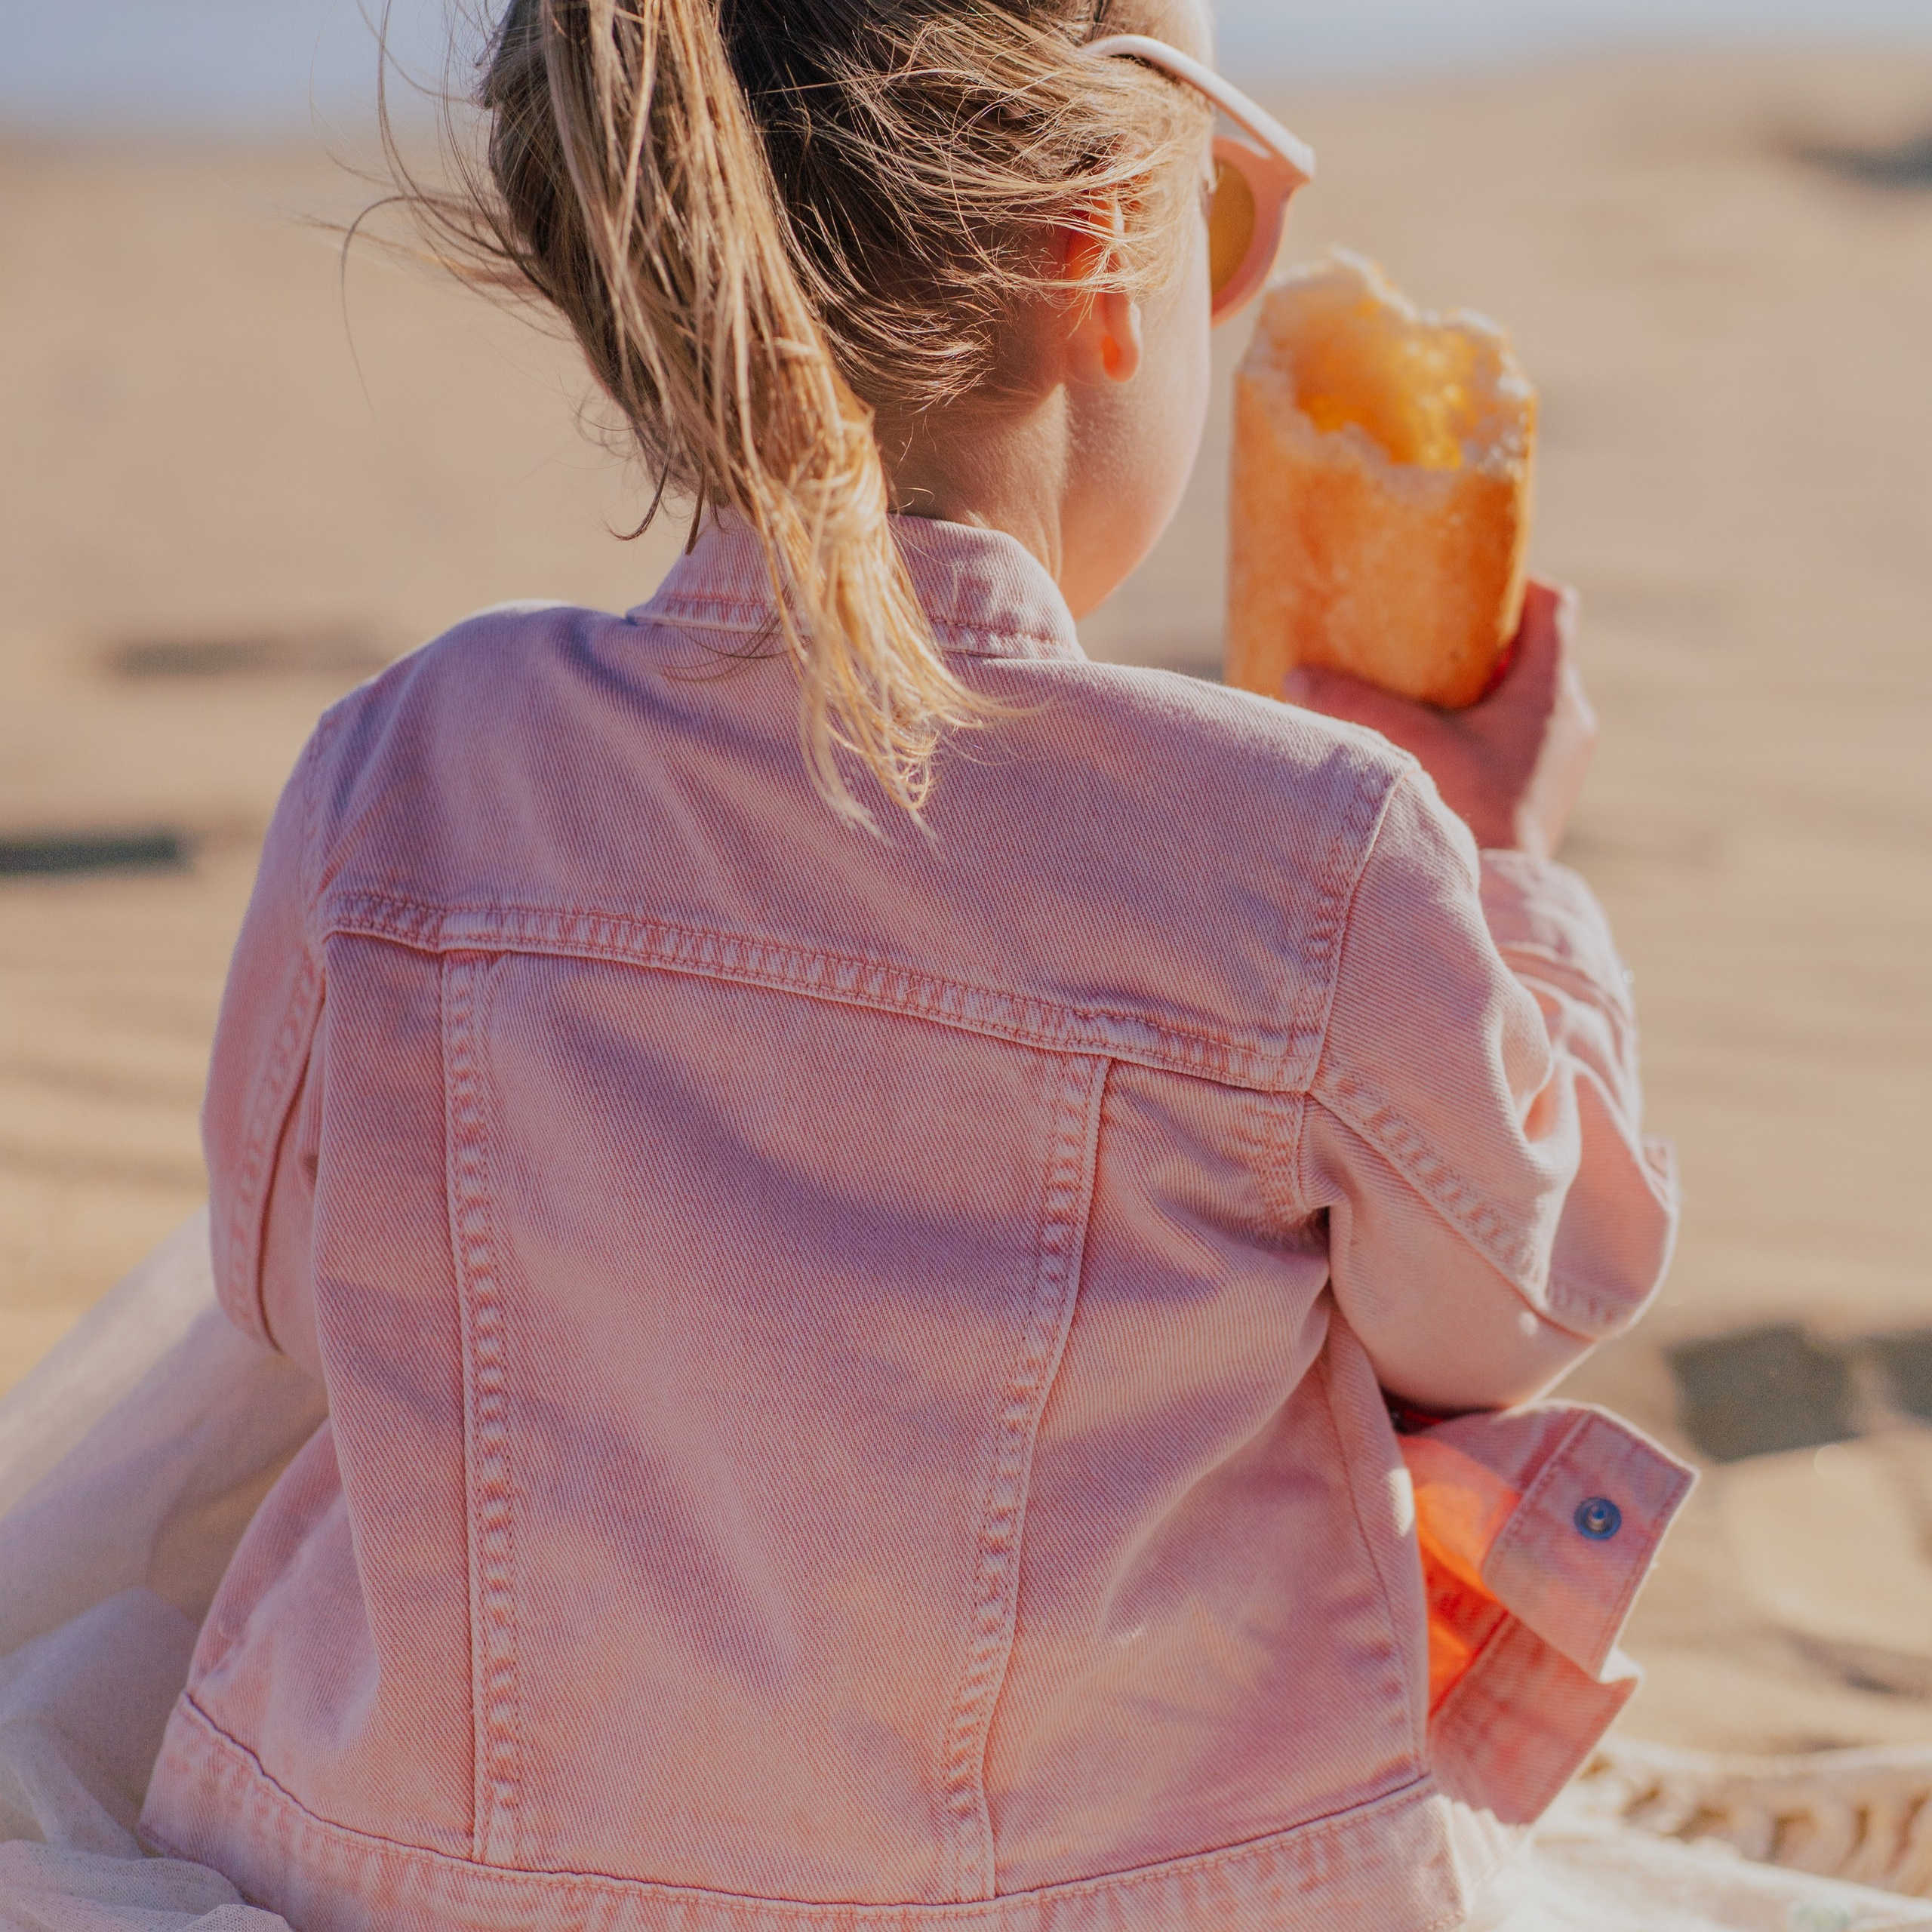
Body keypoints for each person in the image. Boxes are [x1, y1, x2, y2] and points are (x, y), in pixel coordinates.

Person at [135, 0, 1687, 1926]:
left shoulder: (407, 761)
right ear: (1095, 257)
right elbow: (1524, 1291)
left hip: (415, 1876)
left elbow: (287, 1282)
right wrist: (1500, 865)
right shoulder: (1315, 841)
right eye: (1218, 212)